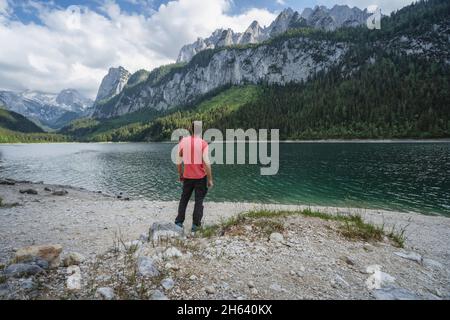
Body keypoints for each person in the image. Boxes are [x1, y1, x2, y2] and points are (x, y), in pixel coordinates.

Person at [175, 121, 213, 233]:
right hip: (200, 177)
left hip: (187, 177)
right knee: (199, 201)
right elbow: (207, 163)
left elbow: (179, 160)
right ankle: (195, 226)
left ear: (191, 129)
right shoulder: (203, 143)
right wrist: (210, 179)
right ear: (200, 130)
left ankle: (178, 222)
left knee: (184, 199)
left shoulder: (183, 142)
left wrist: (180, 173)